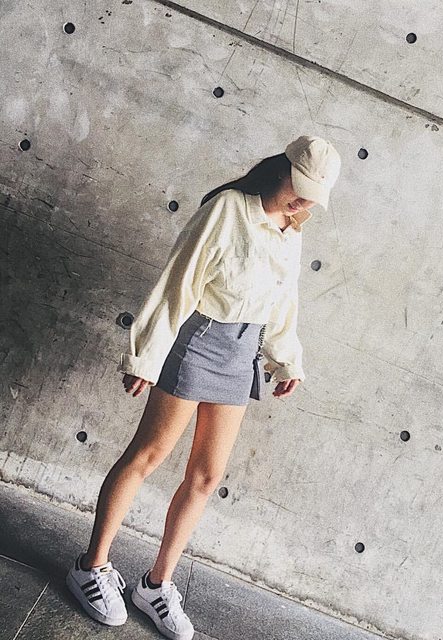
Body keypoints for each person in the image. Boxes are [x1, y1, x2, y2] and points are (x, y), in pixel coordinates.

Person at [65, 135, 341, 639]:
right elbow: (178, 283)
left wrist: (286, 360)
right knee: (148, 455)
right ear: (282, 170)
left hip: (243, 352)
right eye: (300, 188)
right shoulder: (228, 209)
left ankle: (156, 584)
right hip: (201, 339)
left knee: (207, 476)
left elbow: (285, 301)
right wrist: (147, 355)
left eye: (312, 197)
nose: (303, 202)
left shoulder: (292, 230)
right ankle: (91, 566)